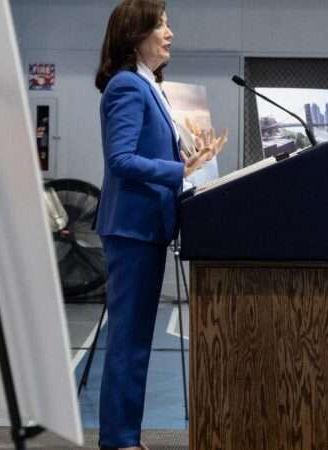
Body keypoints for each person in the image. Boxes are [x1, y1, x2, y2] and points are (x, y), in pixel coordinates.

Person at [93, 1, 227, 449]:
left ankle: (124, 436)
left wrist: (189, 162)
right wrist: (179, 172)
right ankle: (117, 440)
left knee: (135, 343)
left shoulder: (149, 86)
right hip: (132, 230)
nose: (169, 33)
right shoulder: (127, 87)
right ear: (136, 36)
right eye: (161, 25)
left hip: (145, 229)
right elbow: (121, 160)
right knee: (127, 344)